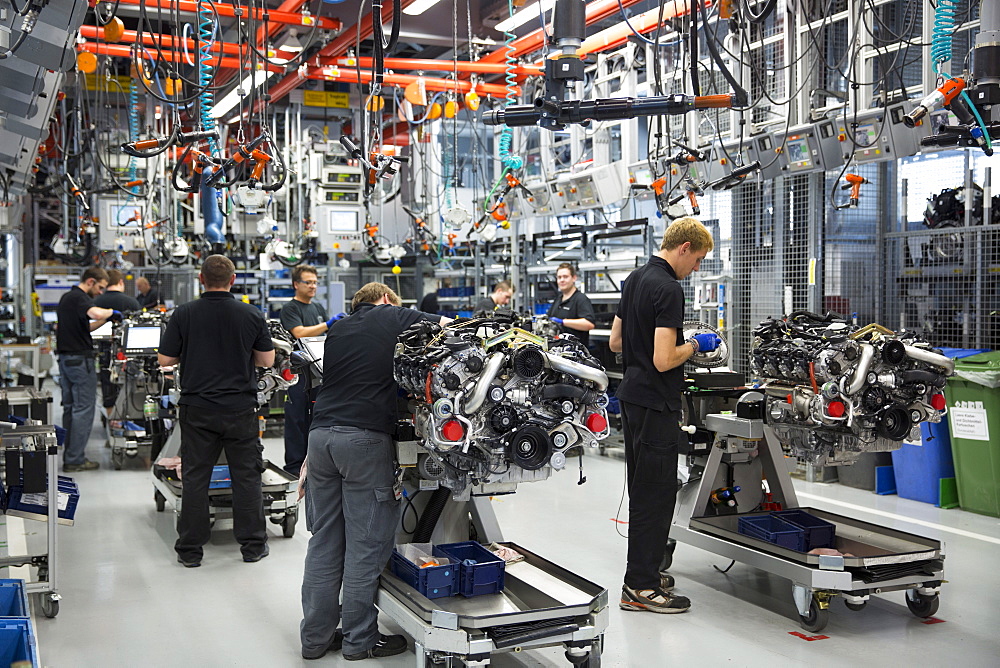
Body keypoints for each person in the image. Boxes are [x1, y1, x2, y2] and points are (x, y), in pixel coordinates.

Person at [300, 283, 450, 661]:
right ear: (385, 299)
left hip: (321, 439)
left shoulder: (338, 329)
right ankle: (360, 640)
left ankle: (315, 639)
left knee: (325, 542)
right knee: (365, 546)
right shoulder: (393, 314)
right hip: (363, 441)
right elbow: (452, 329)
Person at [609, 217, 721, 614]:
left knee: (643, 490)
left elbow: (616, 341)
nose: (697, 270)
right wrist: (695, 344)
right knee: (656, 496)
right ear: (684, 247)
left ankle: (645, 572)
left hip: (632, 398)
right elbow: (664, 359)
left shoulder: (635, 279)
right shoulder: (668, 289)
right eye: (698, 260)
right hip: (657, 402)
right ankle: (640, 586)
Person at [157, 255, 275, 568]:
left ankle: (190, 551)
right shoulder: (250, 313)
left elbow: (165, 360)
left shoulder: (184, 314)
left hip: (197, 408)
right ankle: (252, 547)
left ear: (201, 278)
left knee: (196, 478)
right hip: (240, 408)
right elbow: (267, 360)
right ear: (232, 280)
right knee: (246, 477)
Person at [280, 264, 341, 477]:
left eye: (315, 282)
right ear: (296, 284)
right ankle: (294, 467)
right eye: (308, 282)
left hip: (318, 373)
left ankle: (314, 464)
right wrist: (328, 323)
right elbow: (299, 333)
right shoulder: (291, 308)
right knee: (296, 419)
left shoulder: (317, 308)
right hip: (297, 374)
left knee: (316, 418)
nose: (313, 286)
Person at [56, 266, 118, 472]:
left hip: (67, 360)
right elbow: (94, 311)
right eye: (100, 288)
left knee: (72, 407)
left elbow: (86, 326)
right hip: (80, 361)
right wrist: (111, 311)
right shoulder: (79, 297)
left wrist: (106, 320)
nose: (100, 293)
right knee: (83, 409)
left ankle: (70, 453)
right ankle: (75, 459)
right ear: (90, 282)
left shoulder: (68, 298)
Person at [94, 269, 141, 424]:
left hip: (104, 349)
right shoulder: (132, 302)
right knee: (129, 381)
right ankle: (128, 416)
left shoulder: (96, 303)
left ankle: (111, 420)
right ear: (121, 282)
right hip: (129, 352)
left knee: (107, 382)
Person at [547, 263, 596, 346]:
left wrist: (562, 322)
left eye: (565, 277)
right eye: (559, 277)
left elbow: (589, 324)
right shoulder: (558, 299)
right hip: (557, 350)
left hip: (575, 353)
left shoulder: (580, 299)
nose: (562, 280)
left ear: (574, 278)